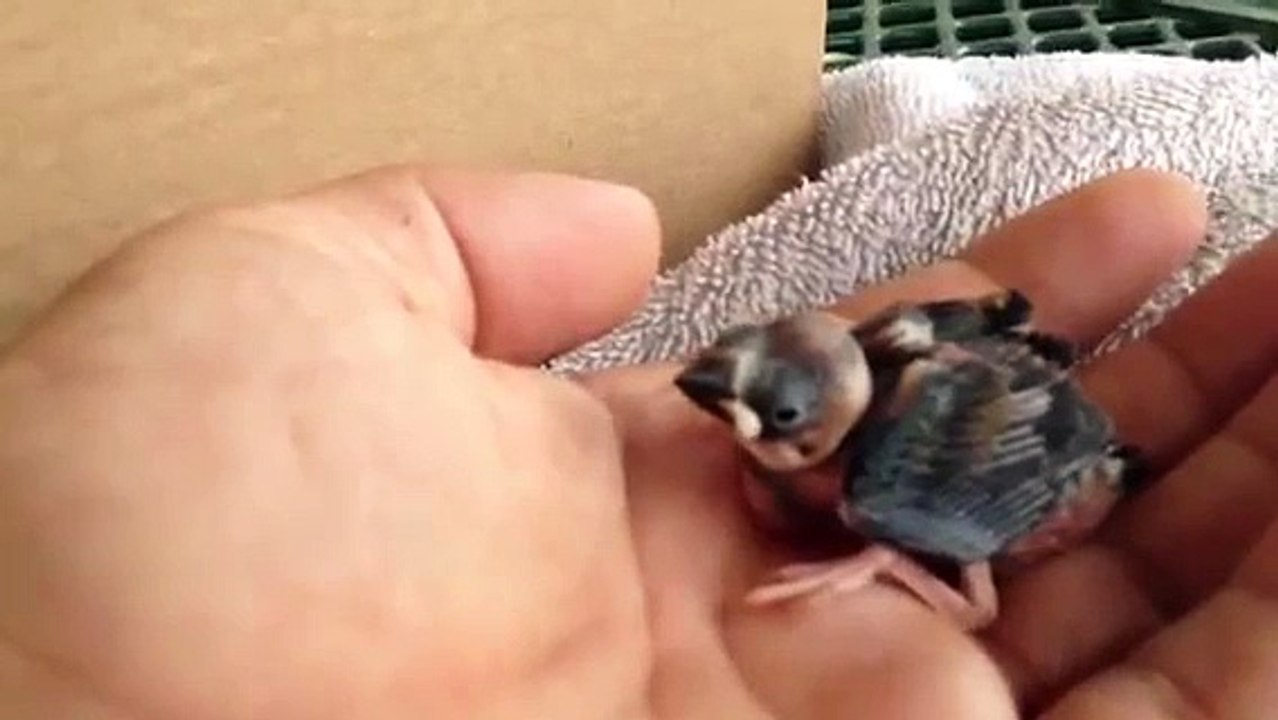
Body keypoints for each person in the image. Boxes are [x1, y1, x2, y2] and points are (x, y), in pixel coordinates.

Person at [0, 164, 1272, 720]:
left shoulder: (889, 477)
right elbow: (984, 326)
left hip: (1045, 482)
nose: (712, 425)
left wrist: (883, 561)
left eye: (760, 422)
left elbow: (979, 593)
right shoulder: (884, 353)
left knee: (912, 514)